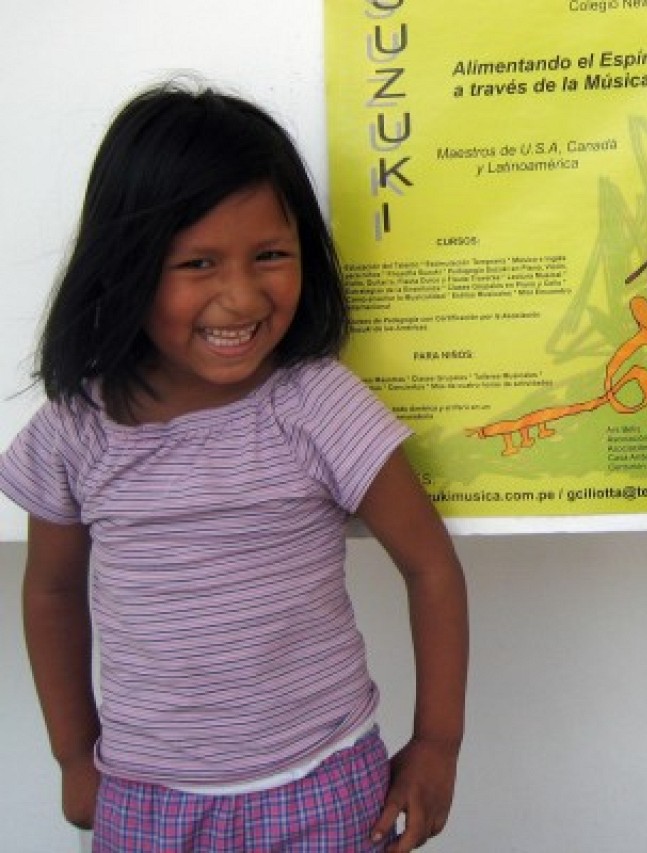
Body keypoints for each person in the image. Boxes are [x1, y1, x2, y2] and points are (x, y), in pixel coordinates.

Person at [0, 81, 468, 852]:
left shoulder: (317, 403)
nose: (242, 295)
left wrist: (438, 745)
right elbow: (50, 589)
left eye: (271, 255)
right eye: (199, 263)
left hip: (324, 787)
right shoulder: (76, 429)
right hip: (144, 802)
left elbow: (431, 566)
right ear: (126, 265)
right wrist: (70, 752)